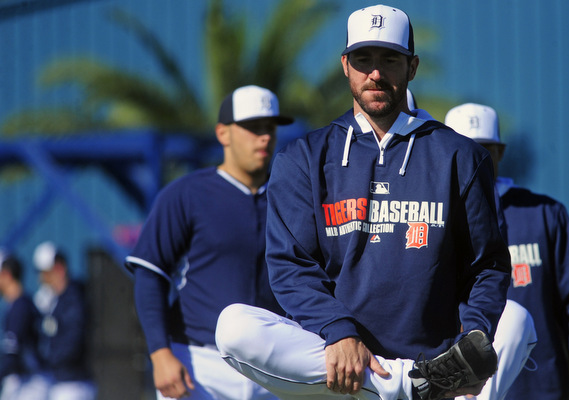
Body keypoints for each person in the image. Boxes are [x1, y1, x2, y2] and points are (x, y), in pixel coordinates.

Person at [215, 5, 511, 400]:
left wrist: (474, 336)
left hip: (432, 358)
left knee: (517, 321)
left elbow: (488, 265)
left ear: (412, 67)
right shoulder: (303, 158)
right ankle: (406, 385)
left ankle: (417, 380)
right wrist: (340, 331)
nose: (375, 72)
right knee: (233, 326)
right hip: (338, 365)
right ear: (345, 65)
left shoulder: (460, 156)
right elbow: (290, 266)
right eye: (363, 59)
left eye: (390, 59)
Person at [124, 85, 292, 400]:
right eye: (253, 127)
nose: (265, 137)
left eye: (270, 127)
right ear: (223, 133)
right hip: (197, 364)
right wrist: (160, 354)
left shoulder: (292, 197)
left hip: (273, 367)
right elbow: (150, 275)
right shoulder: (186, 194)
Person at [444, 103, 569, 400]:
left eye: (483, 150)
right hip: (460, 389)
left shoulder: (545, 214)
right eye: (463, 149)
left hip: (539, 387)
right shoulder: (437, 219)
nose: (473, 159)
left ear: (500, 152)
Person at [32, 241, 96, 400]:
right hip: (59, 382)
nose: (42, 279)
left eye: (46, 273)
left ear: (59, 268)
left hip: (74, 383)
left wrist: (47, 359)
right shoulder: (52, 301)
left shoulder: (74, 299)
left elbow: (73, 342)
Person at [0, 252, 47, 400]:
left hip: (30, 385)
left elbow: (12, 355)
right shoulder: (20, 304)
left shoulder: (20, 308)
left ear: (6, 275)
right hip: (29, 382)